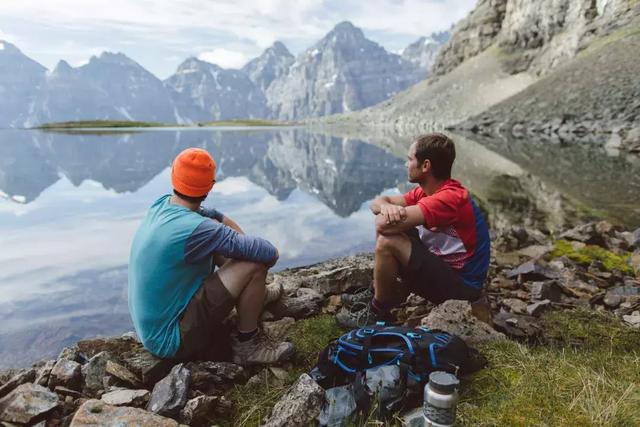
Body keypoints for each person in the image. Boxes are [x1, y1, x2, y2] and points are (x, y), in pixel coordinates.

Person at [128, 147, 294, 364]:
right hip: (171, 341)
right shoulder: (197, 229)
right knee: (254, 264)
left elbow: (212, 216)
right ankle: (248, 345)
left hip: (151, 331)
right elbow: (269, 254)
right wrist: (249, 259)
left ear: (173, 178)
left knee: (225, 244)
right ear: (211, 186)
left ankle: (255, 294)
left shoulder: (162, 205)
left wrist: (236, 245)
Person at [337, 133, 490, 328]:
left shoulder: (449, 198)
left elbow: (381, 224)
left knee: (387, 240)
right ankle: (378, 291)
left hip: (463, 289)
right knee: (397, 230)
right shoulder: (426, 190)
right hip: (445, 272)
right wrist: (386, 207)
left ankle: (377, 312)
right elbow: (378, 202)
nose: (406, 164)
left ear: (425, 166)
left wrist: (387, 214)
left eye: (410, 159)